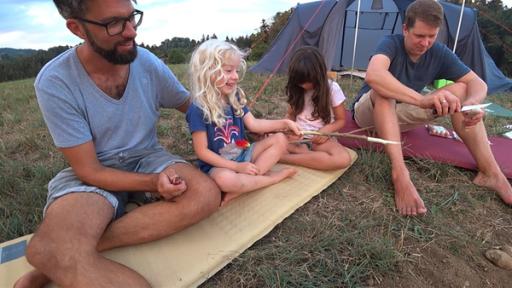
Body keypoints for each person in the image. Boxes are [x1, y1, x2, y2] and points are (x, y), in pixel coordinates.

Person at [15, 0, 220, 287]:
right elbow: (90, 171)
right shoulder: (55, 81)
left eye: (132, 18)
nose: (131, 31)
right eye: (114, 23)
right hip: (93, 174)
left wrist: (243, 125)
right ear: (77, 28)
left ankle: (60, 254)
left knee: (205, 195)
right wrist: (154, 183)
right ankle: (62, 249)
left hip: (147, 156)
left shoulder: (146, 62)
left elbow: (190, 106)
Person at [352, 0, 512, 216]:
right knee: (384, 90)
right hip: (368, 114)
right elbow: (375, 75)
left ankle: (491, 173)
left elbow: (478, 83)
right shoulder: (391, 43)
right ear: (405, 29)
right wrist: (420, 100)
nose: (425, 43)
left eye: (431, 36)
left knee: (462, 89)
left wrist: (472, 103)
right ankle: (400, 174)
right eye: (419, 36)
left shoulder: (438, 52)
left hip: (400, 115)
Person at [186, 39, 301, 205]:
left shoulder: (235, 97)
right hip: (219, 166)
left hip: (244, 152)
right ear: (207, 71)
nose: (235, 76)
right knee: (225, 180)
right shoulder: (198, 109)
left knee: (280, 139)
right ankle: (271, 179)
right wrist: (236, 168)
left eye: (236, 70)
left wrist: (284, 123)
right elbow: (202, 152)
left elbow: (254, 125)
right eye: (228, 70)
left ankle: (246, 184)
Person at [279, 46, 352, 170]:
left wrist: (326, 130)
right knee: (267, 139)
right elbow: (290, 115)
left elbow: (341, 120)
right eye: (300, 82)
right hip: (297, 138)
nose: (304, 85)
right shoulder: (296, 89)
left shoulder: (332, 89)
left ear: (319, 75)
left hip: (319, 139)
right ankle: (311, 157)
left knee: (343, 159)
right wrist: (290, 128)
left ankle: (283, 158)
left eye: (308, 81)